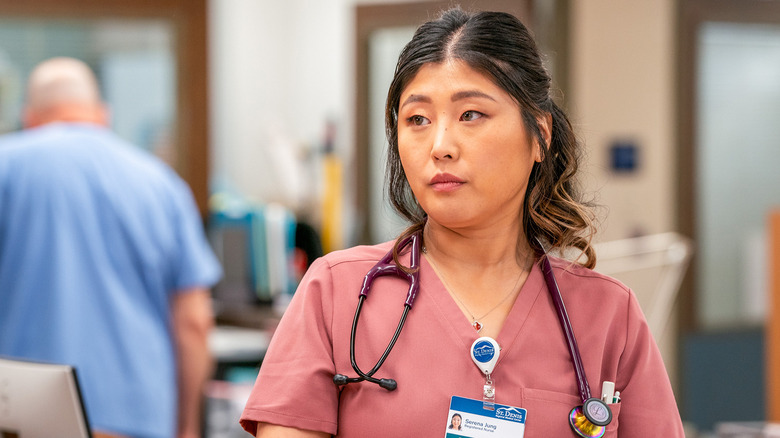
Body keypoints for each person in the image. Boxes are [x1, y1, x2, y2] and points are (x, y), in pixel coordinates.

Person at [239, 8, 684, 437]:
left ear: (540, 135)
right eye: (417, 119)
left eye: (471, 114)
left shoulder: (608, 317)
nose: (440, 145)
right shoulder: (336, 293)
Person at [0, 57, 222, 438]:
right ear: (103, 114)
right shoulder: (161, 184)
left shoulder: (6, 166)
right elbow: (193, 322)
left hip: (21, 415)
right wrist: (187, 426)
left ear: (28, 115)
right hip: (138, 418)